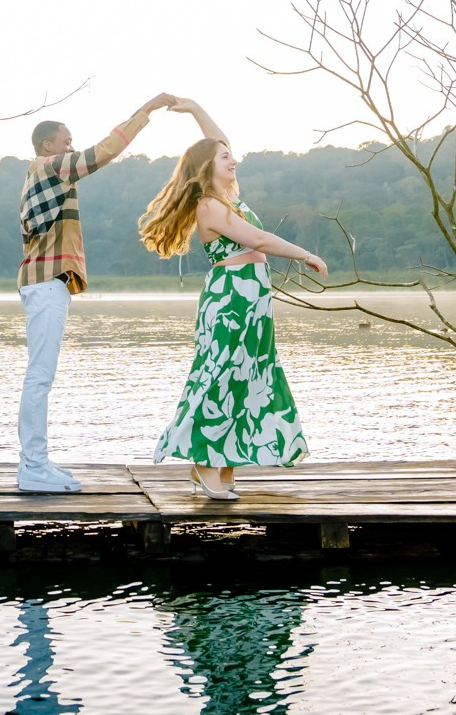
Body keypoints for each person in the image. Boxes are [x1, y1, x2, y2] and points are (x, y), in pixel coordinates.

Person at [138, 100, 326, 499]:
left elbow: (218, 141)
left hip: (253, 297)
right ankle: (203, 465)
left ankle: (223, 467)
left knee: (246, 378)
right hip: (230, 299)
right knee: (222, 376)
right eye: (225, 158)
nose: (233, 159)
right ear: (208, 166)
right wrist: (305, 254)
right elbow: (257, 240)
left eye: (232, 155)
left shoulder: (229, 197)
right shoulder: (208, 205)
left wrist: (196, 109)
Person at [15, 92, 175, 493]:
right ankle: (33, 467)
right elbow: (102, 153)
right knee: (39, 378)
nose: (70, 145)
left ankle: (37, 464)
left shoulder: (42, 175)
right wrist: (145, 111)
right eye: (65, 140)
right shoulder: (49, 166)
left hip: (47, 282)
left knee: (40, 377)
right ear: (48, 145)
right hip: (46, 282)